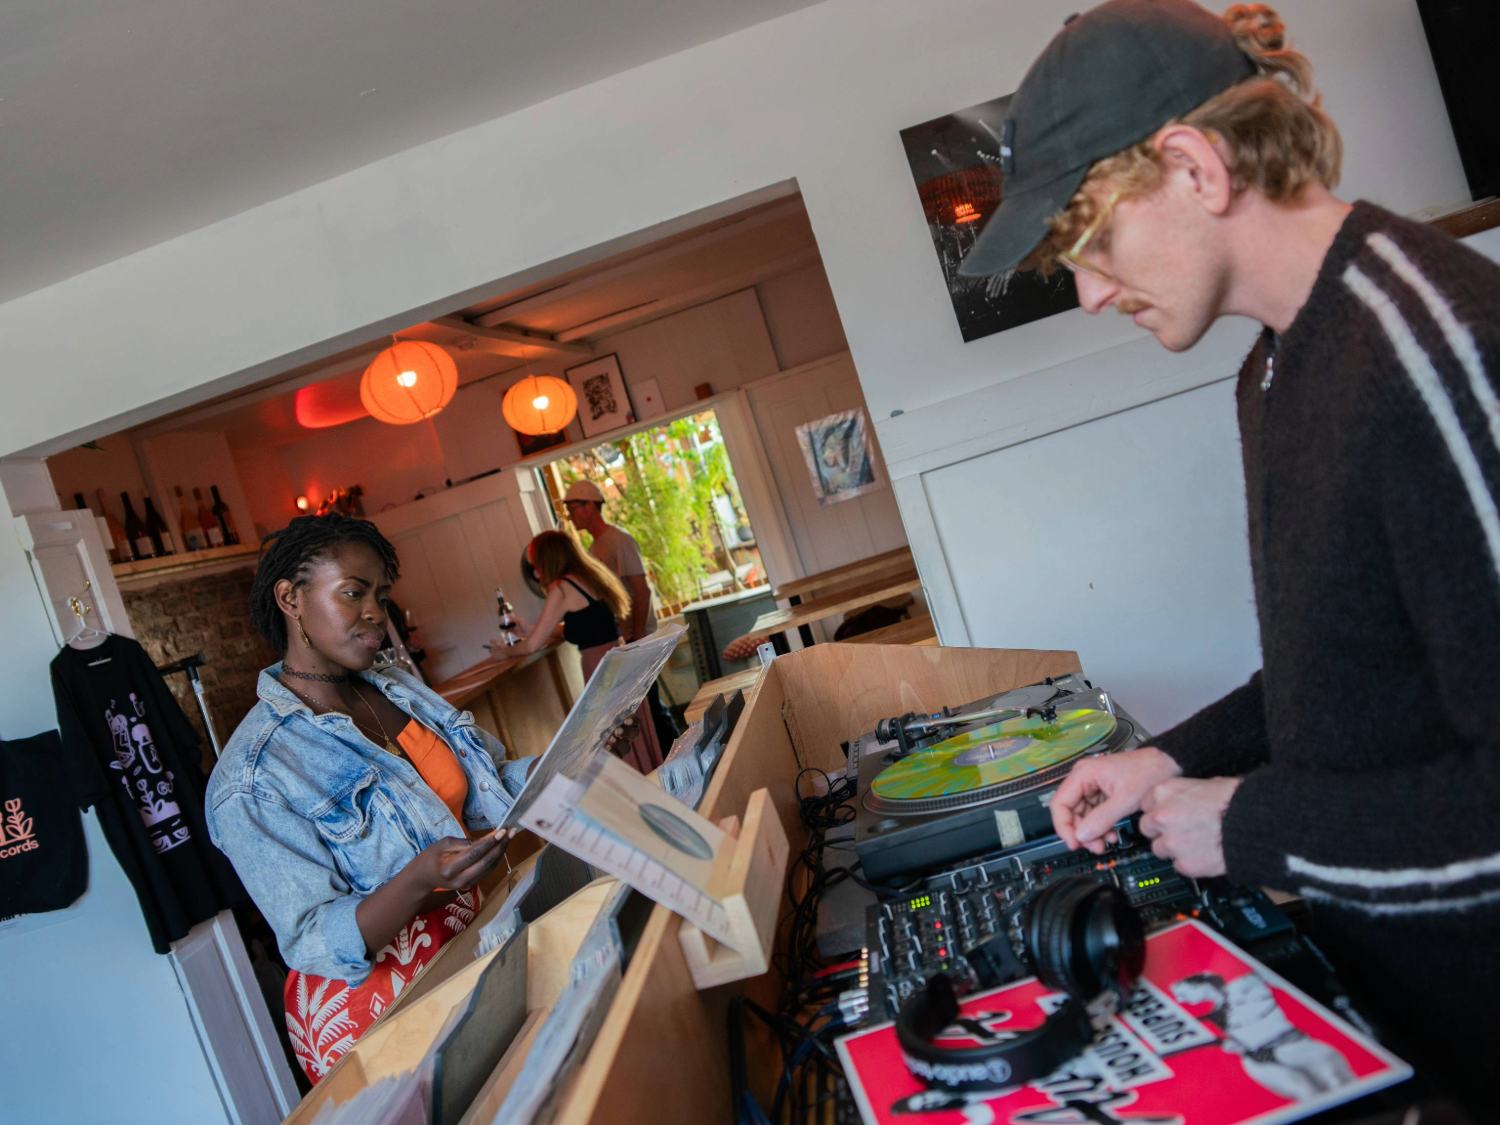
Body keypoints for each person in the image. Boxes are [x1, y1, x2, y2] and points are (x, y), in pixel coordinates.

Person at [958, 0, 1500, 1101]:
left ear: (1197, 167)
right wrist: (1174, 758)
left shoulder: (1434, 358)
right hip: (1410, 1011)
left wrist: (1255, 825)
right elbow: (1343, 670)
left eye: (1093, 242)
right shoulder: (1269, 372)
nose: (1094, 292)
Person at [205, 513, 529, 1083]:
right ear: (291, 598)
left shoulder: (396, 686)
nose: (376, 612)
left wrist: (583, 750)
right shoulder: (253, 776)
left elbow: (488, 786)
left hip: (474, 932)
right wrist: (417, 877)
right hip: (375, 1005)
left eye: (380, 595)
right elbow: (311, 939)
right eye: (353, 593)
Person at [505, 529, 663, 774]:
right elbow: (586, 624)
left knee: (613, 737)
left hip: (601, 666)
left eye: (536, 565)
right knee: (627, 732)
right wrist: (532, 629)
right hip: (618, 658)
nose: (536, 573)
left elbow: (533, 646)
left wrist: (503, 652)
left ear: (549, 559)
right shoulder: (589, 577)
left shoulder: (561, 587)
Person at [562, 479, 680, 749]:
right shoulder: (594, 547)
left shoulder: (619, 540)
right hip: (623, 638)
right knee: (645, 709)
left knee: (650, 706)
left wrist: (637, 635)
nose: (570, 515)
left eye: (572, 507)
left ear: (590, 506)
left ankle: (679, 754)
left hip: (635, 637)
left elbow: (642, 590)